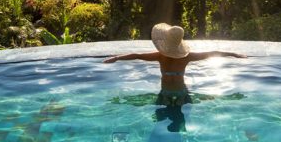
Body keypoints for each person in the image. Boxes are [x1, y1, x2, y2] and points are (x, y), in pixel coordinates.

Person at [104, 23, 247, 106]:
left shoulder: (161, 56)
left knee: (162, 119)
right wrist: (232, 54)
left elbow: (137, 55)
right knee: (179, 121)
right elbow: (212, 53)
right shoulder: (185, 57)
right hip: (180, 93)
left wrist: (116, 58)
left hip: (168, 92)